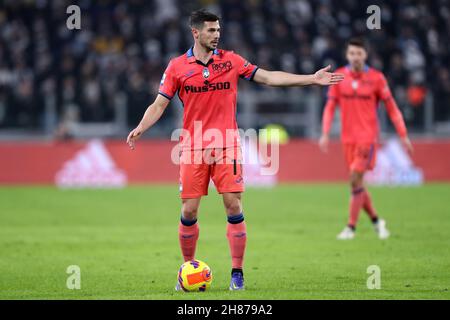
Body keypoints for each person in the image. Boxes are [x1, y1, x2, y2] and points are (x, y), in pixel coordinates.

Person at [127, 9, 344, 291]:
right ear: (196, 33)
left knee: (233, 204)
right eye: (211, 31)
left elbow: (267, 77)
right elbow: (159, 104)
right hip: (193, 146)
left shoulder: (231, 60)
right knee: (189, 210)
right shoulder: (177, 66)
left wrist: (310, 79)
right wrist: (141, 127)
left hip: (227, 143)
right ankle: (187, 268)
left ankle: (237, 273)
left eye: (218, 30)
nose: (217, 35)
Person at [319, 38, 413, 240]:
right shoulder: (338, 77)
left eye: (359, 53)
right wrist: (325, 132)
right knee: (357, 184)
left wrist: (403, 134)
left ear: (365, 55)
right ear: (347, 55)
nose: (355, 57)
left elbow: (392, 108)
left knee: (355, 178)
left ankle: (350, 228)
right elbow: (329, 107)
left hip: (367, 139)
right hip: (347, 140)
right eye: (352, 53)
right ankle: (377, 221)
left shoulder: (377, 78)